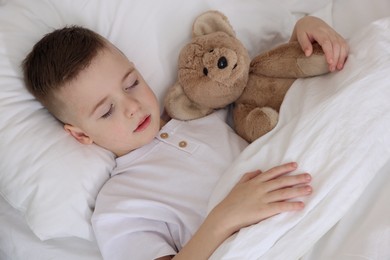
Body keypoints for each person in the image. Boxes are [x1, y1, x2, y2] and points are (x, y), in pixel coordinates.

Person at [22, 15, 348, 260]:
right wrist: (225, 216)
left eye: (131, 83)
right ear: (80, 135)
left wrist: (305, 32)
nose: (133, 107)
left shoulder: (201, 109)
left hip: (320, 200)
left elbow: (263, 83)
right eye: (107, 111)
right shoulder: (119, 204)